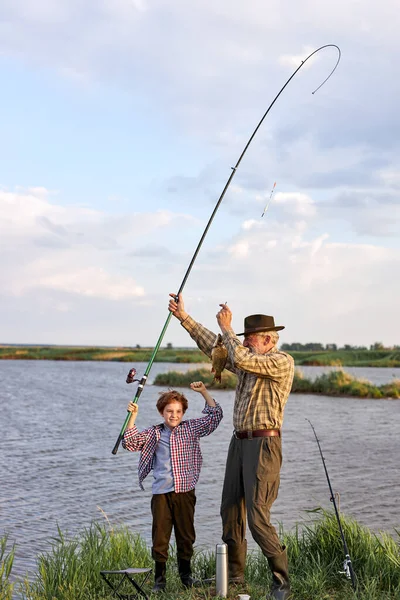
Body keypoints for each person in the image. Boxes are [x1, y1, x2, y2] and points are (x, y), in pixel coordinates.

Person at [168, 293, 294, 600]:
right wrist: (185, 318)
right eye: (245, 338)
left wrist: (228, 328)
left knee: (257, 516)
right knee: (230, 511)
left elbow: (240, 356)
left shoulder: (280, 362)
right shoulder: (248, 362)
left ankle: (282, 584)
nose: (246, 342)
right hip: (239, 443)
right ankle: (235, 579)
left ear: (268, 339)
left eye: (249, 338)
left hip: (264, 445)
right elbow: (219, 349)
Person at [122, 381, 223, 593]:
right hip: (161, 494)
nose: (174, 415)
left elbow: (215, 417)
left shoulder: (191, 428)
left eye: (178, 411)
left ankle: (186, 578)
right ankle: (160, 581)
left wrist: (204, 392)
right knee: (160, 537)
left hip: (185, 492)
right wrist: (133, 415)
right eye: (169, 411)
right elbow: (130, 442)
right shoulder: (154, 433)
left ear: (183, 412)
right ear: (161, 412)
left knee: (186, 536)